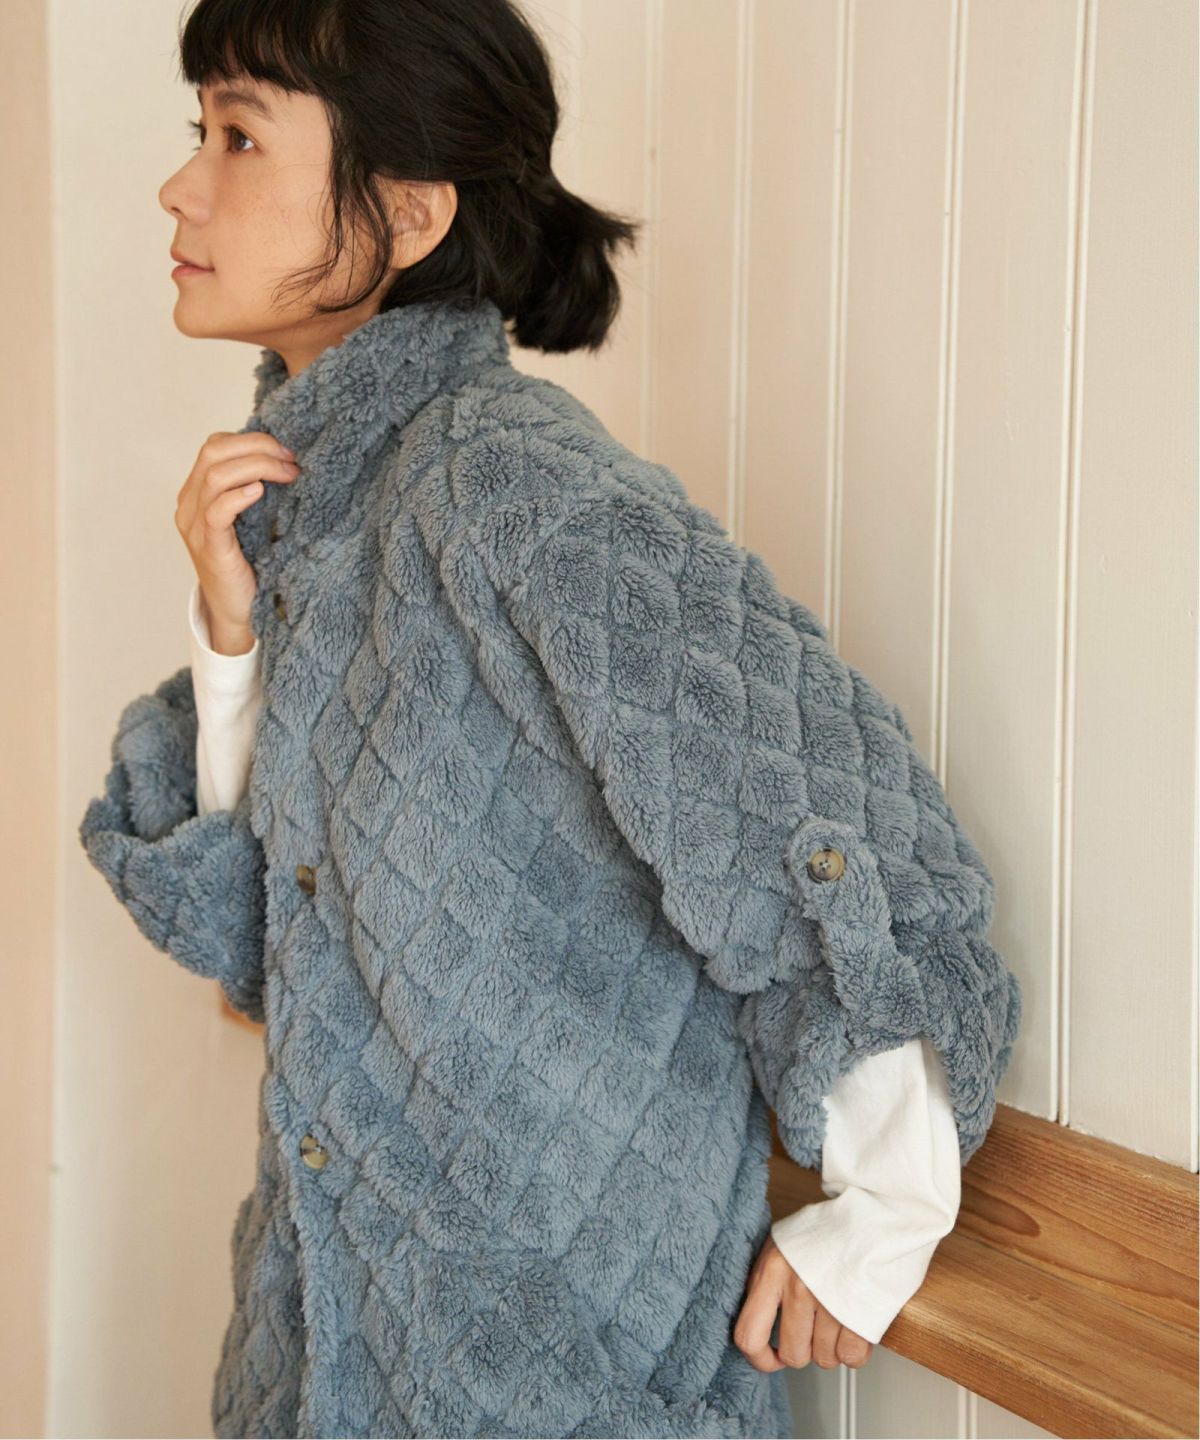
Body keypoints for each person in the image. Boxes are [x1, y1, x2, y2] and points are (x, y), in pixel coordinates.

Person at [78, 2, 1022, 1436]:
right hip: (321, 1373)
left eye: (239, 136)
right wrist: (231, 636)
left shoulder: (506, 483)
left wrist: (888, 1208)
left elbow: (805, 795)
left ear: (409, 212)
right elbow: (277, 947)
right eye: (196, 132)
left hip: (556, 1388)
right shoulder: (324, 507)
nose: (179, 185)